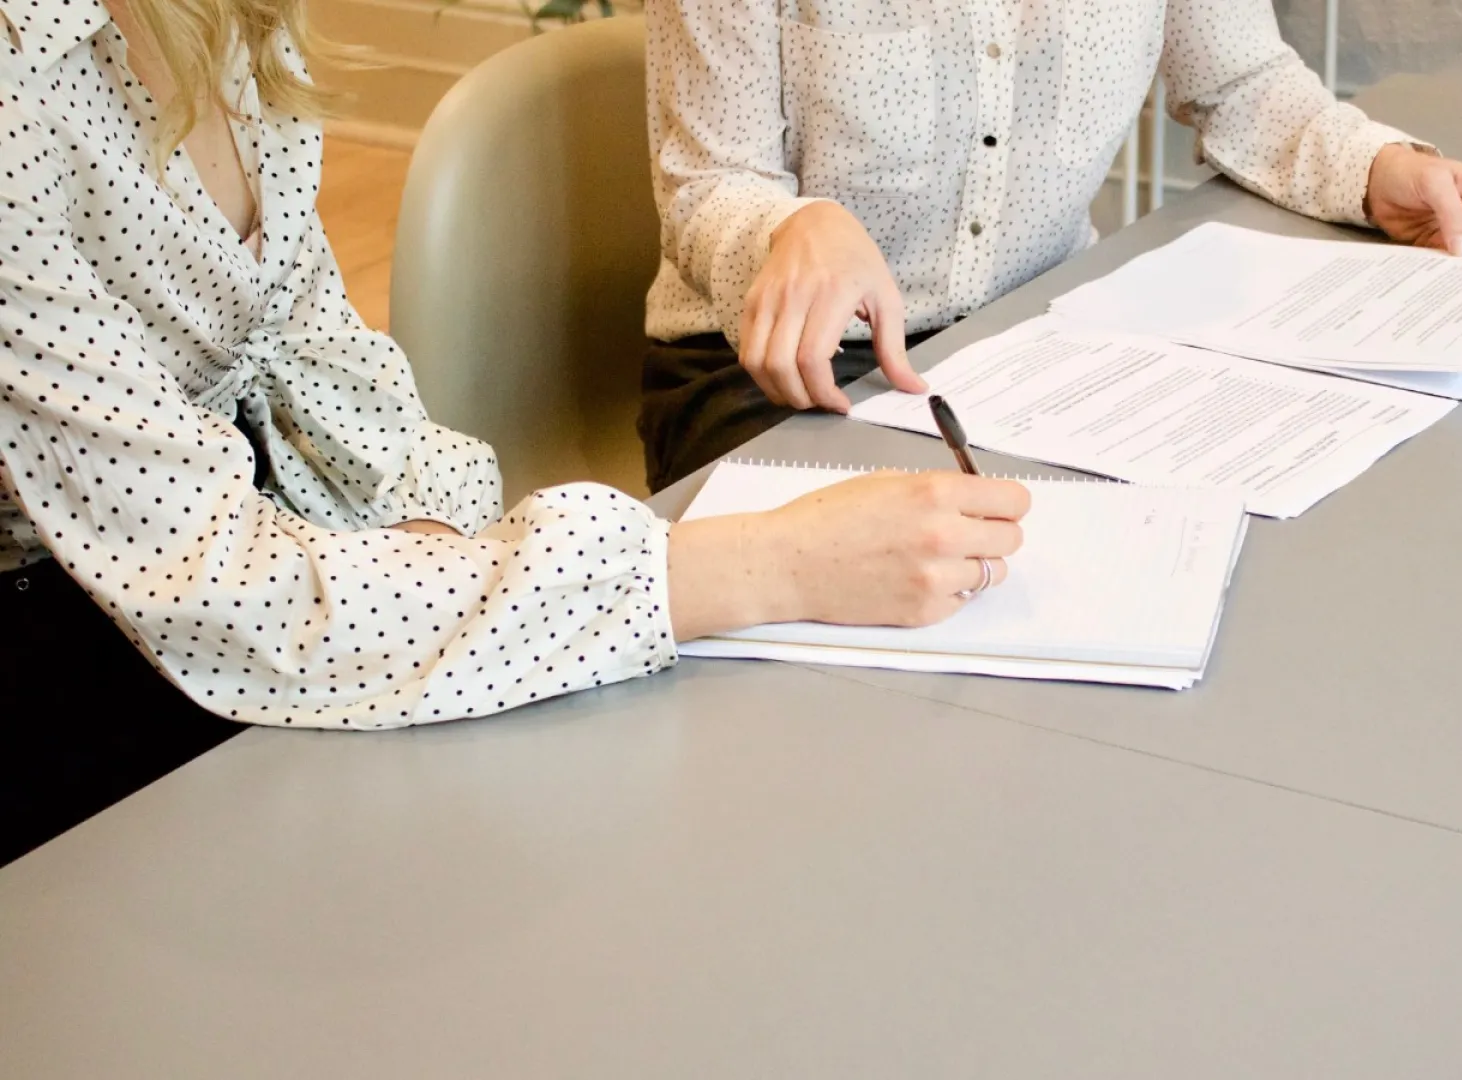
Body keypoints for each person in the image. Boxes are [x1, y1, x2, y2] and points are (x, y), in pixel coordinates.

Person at [0, 0, 1029, 865]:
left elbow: (319, 362)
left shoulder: (227, 25)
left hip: (234, 563)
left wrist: (444, 543)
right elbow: (221, 589)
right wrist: (765, 567)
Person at [640, 0, 1462, 489]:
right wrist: (789, 229)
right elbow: (706, 183)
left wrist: (1375, 167)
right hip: (771, 371)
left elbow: (1243, 81)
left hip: (1033, 348)